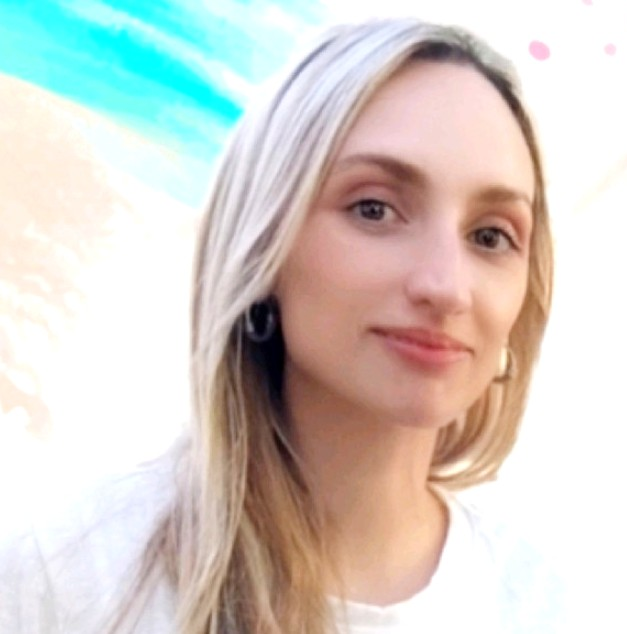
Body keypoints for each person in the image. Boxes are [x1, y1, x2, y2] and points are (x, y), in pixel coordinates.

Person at [0, 16, 567, 634]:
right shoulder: (66, 577)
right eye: (374, 209)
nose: (447, 287)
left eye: (490, 236)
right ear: (266, 241)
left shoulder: (546, 605)